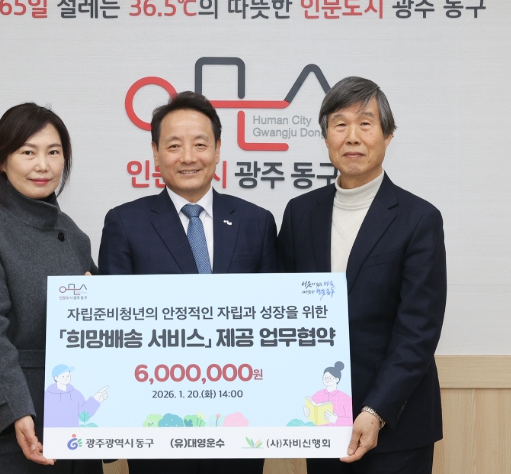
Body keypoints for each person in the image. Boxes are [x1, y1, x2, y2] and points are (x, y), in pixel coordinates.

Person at [99, 91, 276, 474]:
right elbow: (114, 332)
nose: (188, 157)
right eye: (174, 145)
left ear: (218, 149)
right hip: (157, 423)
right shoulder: (125, 223)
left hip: (239, 421)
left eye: (200, 144)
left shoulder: (256, 222)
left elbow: (273, 326)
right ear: (155, 152)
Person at [277, 77, 446, 473]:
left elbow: (418, 329)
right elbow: (282, 307)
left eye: (366, 123)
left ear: (387, 135)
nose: (352, 136)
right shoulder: (300, 213)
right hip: (322, 418)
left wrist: (376, 410)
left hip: (397, 426)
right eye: (340, 124)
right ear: (326, 137)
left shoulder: (418, 219)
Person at [0, 103, 102, 474]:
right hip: (10, 424)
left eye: (54, 152)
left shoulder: (73, 234)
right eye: (28, 152)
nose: (42, 165)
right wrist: (14, 409)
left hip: (72, 420)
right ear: (2, 161)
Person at [44, 365, 109, 427]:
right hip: (50, 433)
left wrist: (95, 399)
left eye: (68, 376)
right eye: (63, 376)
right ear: (56, 378)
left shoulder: (76, 394)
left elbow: (83, 414)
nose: (66, 378)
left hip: (72, 433)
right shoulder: (47, 395)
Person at [304, 361, 353, 427]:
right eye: (325, 377)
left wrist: (336, 420)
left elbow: (352, 420)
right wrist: (308, 413)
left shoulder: (345, 398)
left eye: (329, 378)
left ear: (337, 379)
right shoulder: (318, 395)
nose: (326, 379)